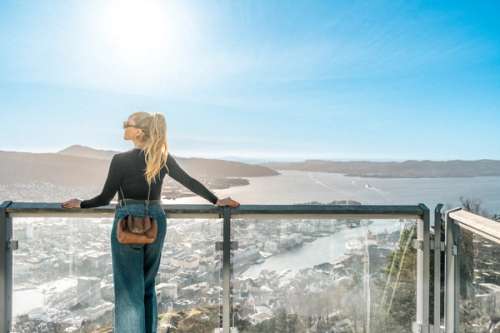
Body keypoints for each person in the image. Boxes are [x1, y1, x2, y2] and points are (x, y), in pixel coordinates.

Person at [62, 111, 239, 333]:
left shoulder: (120, 160)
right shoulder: (161, 157)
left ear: (139, 131)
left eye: (128, 123)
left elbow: (105, 198)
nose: (124, 126)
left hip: (126, 223)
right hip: (155, 221)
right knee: (147, 286)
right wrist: (216, 200)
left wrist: (82, 203)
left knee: (128, 290)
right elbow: (189, 181)